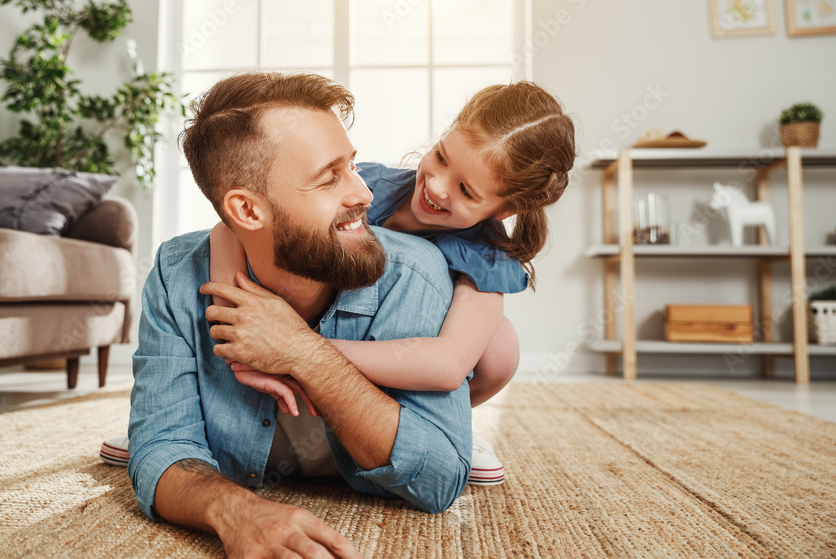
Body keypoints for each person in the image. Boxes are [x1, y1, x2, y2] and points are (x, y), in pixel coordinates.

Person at [127, 71, 473, 558]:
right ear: (246, 211)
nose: (364, 194)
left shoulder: (415, 272)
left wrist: (302, 352)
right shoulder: (175, 274)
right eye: (330, 177)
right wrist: (234, 511)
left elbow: (440, 480)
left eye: (352, 166)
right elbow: (161, 449)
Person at [204, 81, 576, 485]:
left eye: (466, 191)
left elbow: (449, 365)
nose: (436, 186)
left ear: (503, 209)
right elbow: (230, 228)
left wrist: (298, 349)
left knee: (500, 347)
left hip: (391, 360)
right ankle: (197, 419)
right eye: (441, 157)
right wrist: (234, 328)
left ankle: (443, 429)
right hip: (322, 320)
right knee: (217, 265)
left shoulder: (487, 257)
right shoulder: (368, 187)